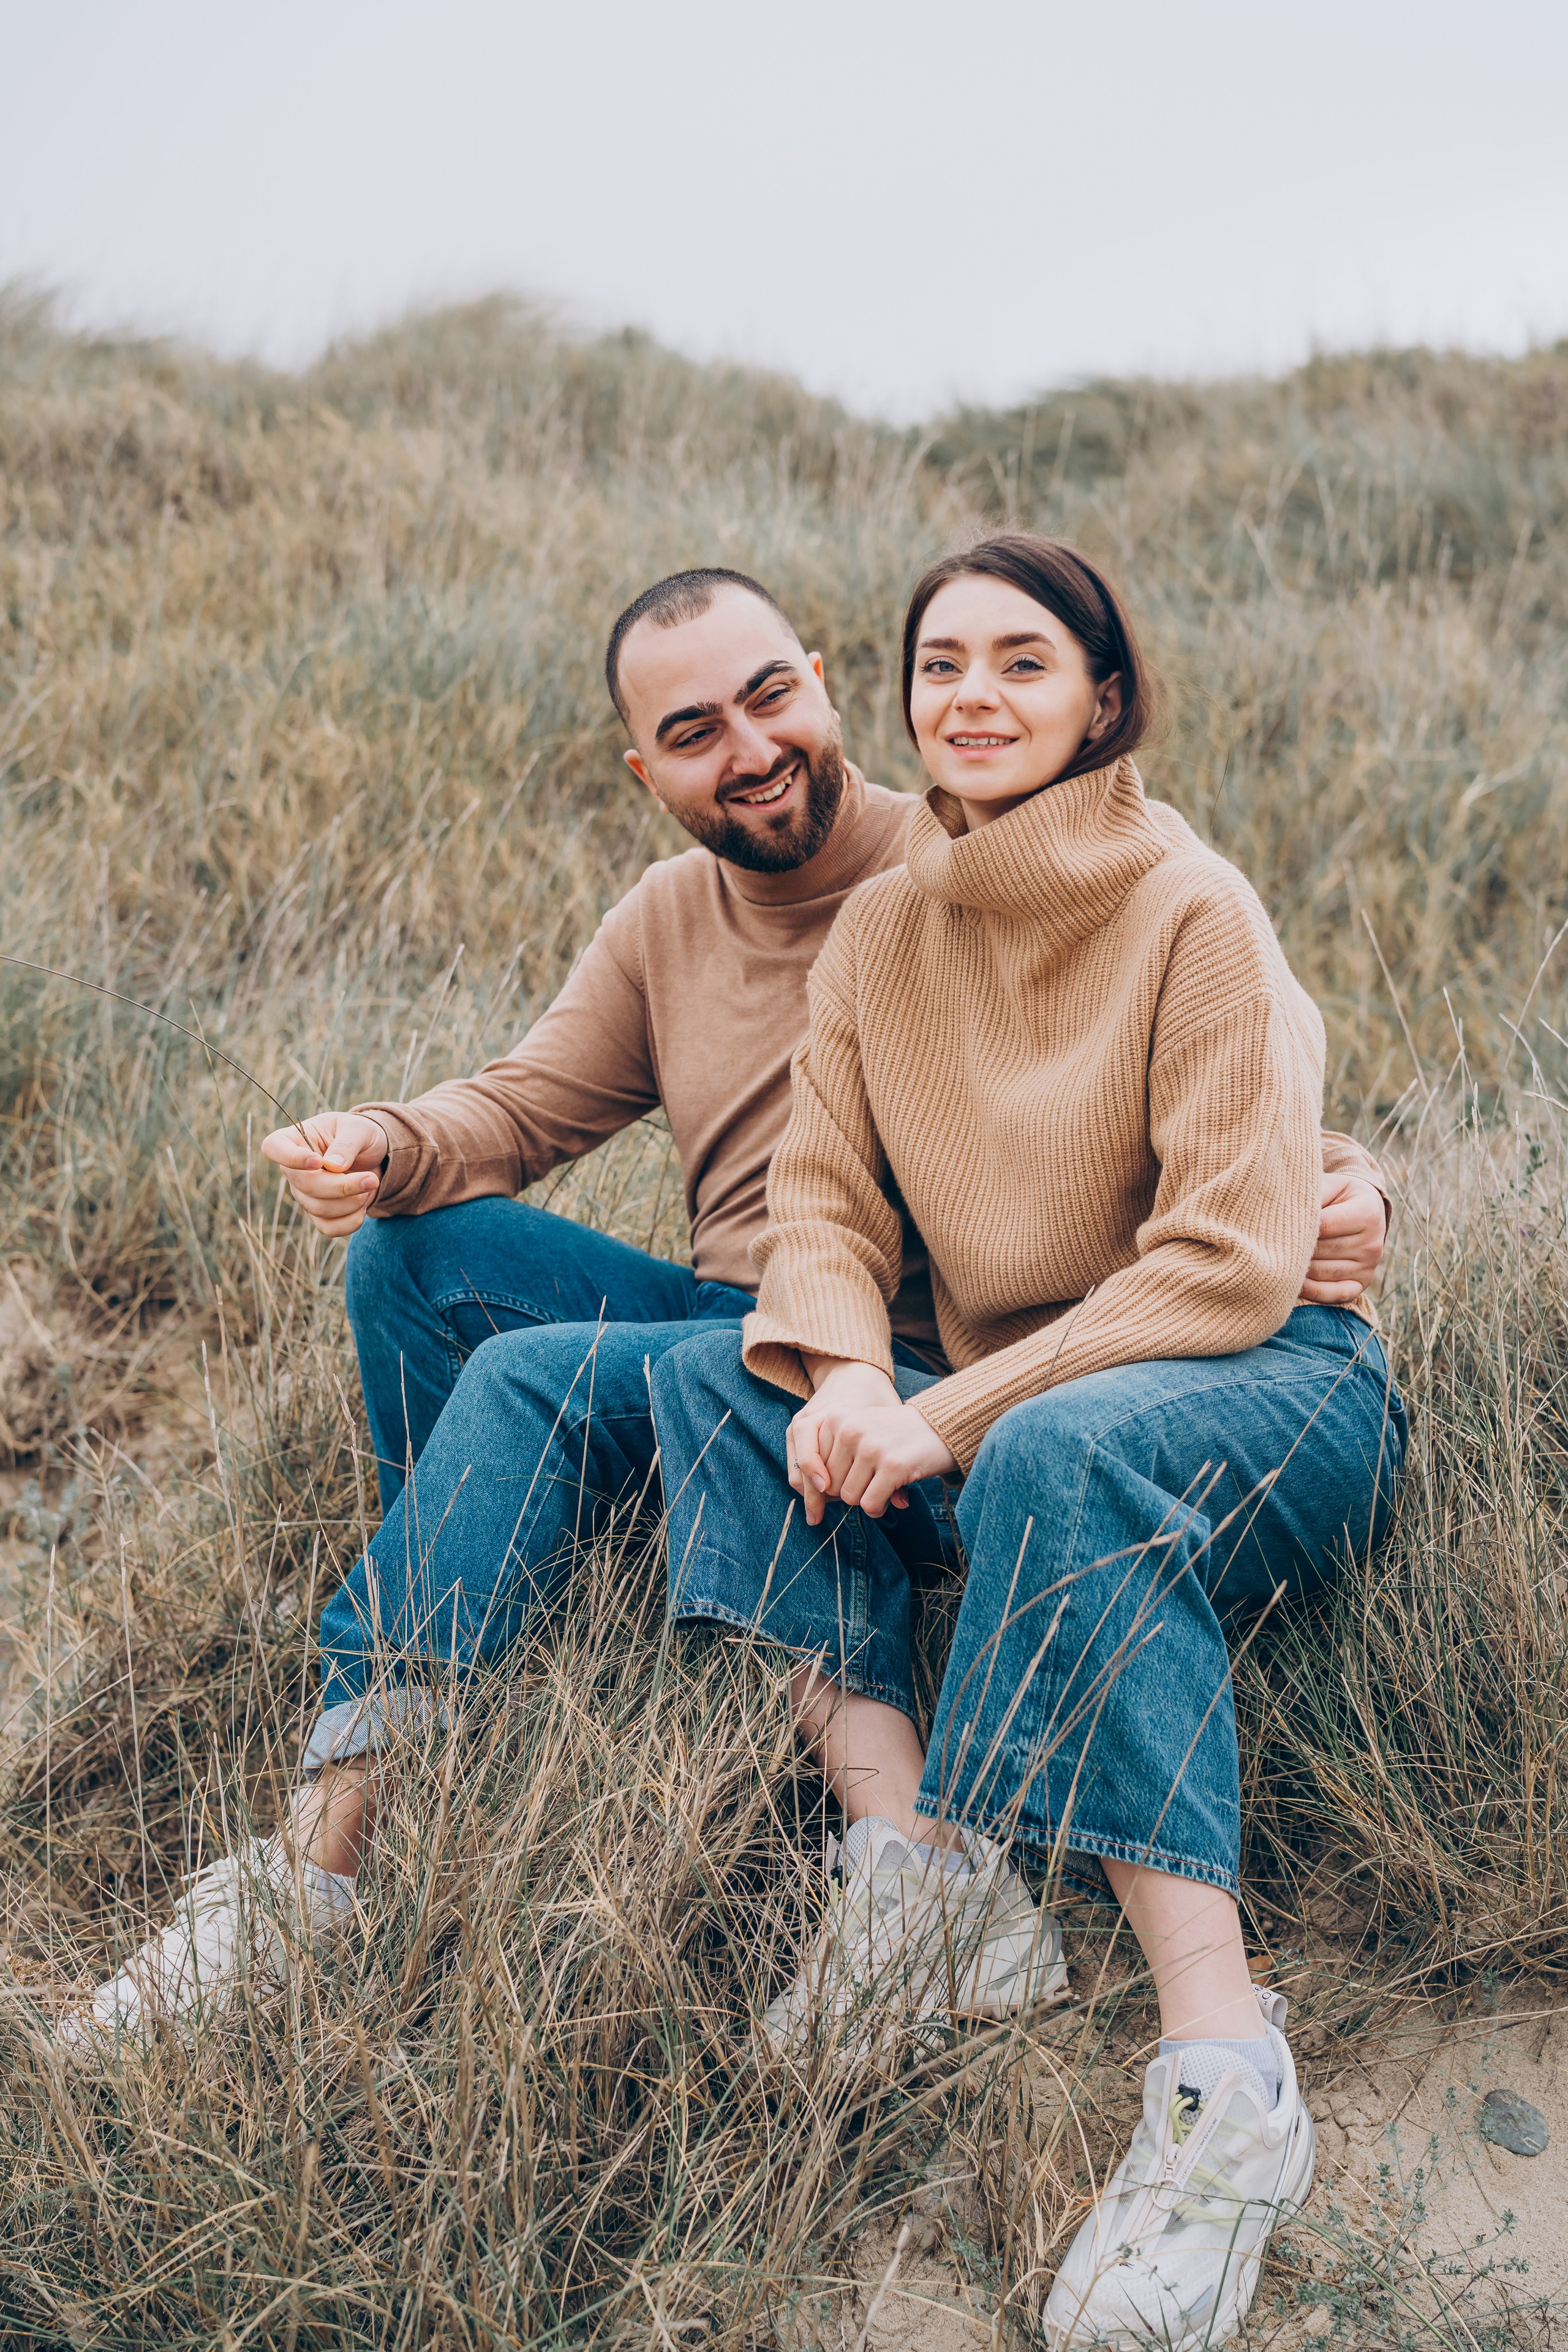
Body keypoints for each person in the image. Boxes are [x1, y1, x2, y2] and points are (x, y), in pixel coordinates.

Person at [66, 566, 1389, 2064]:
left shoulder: (998, 848)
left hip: (923, 1350)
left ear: (823, 683)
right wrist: (385, 1140)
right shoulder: (706, 919)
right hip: (766, 1319)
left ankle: (336, 1844)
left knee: (542, 1384)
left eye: (769, 699)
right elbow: (531, 1106)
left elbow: (1218, 1076)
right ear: (645, 770)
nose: (749, 751)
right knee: (416, 1261)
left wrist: (1348, 1182)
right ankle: (496, 1606)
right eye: (694, 732)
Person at [643, 537, 1408, 2352]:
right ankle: (930, 1883)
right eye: (941, 664)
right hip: (1023, 1397)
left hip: (1271, 1383)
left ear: (1102, 698)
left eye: (1022, 662)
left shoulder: (1191, 909)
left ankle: (1226, 2081)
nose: (972, 695)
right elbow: (819, 1203)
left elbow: (1223, 1264)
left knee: (1060, 1454)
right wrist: (846, 1372)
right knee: (714, 1377)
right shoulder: (884, 930)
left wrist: (939, 1414)